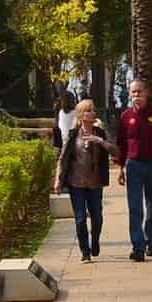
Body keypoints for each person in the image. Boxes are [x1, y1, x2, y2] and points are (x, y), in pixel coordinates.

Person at [113, 76, 152, 262]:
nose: (136, 95)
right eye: (133, 92)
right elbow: (121, 144)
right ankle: (137, 246)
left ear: (146, 93)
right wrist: (120, 168)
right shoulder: (126, 117)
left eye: (139, 91)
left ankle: (150, 241)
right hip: (133, 166)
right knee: (135, 208)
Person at [56, 96, 113, 261]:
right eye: (88, 110)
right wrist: (58, 181)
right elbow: (63, 158)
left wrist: (100, 141)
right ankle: (85, 252)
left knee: (97, 217)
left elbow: (116, 151)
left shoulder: (100, 132)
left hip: (95, 183)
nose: (93, 112)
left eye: (93, 110)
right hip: (76, 183)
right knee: (80, 219)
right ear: (80, 115)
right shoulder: (73, 135)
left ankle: (95, 241)